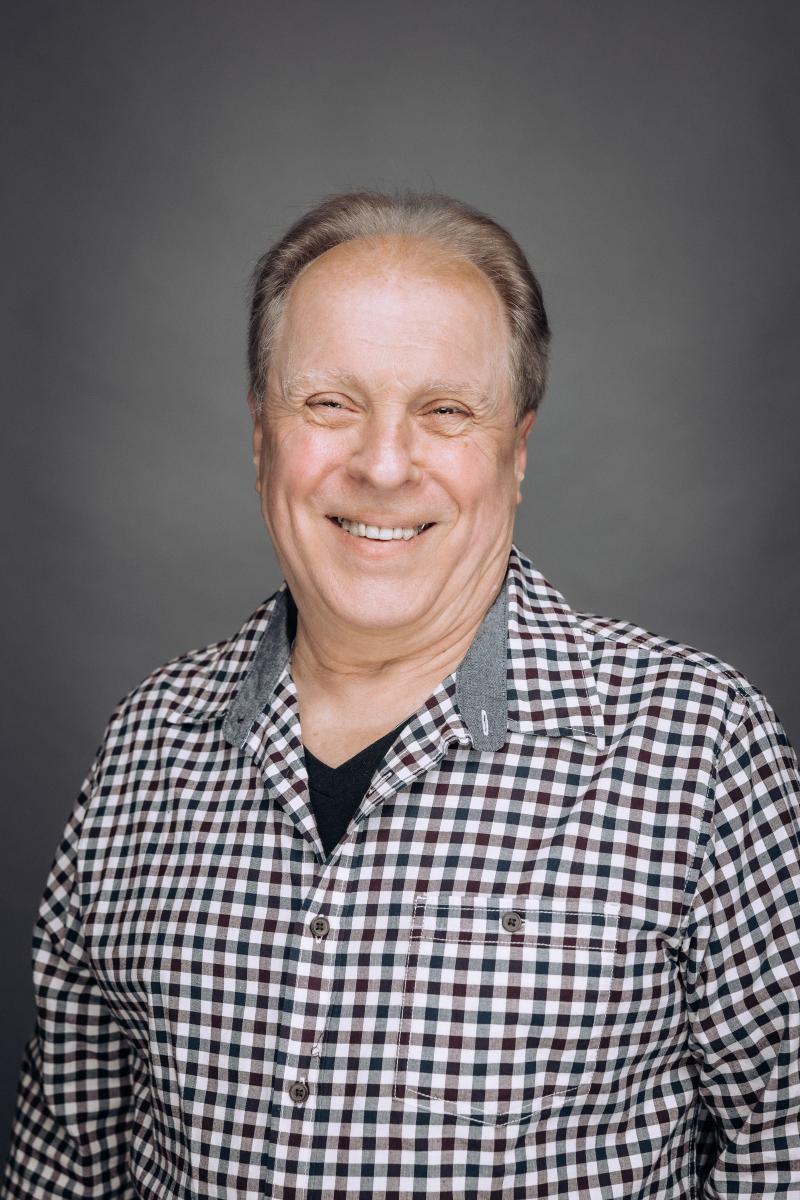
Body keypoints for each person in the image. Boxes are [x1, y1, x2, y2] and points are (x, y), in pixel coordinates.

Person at [3, 190, 799, 1200]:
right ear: (260, 437)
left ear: (516, 452)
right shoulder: (145, 747)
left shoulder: (699, 750)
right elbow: (67, 1169)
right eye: (328, 404)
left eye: (445, 411)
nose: (382, 465)